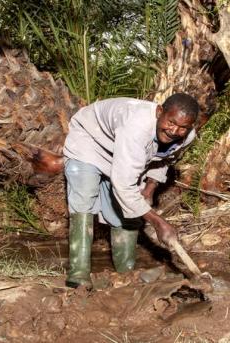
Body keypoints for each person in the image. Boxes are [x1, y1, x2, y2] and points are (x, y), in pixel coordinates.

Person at [62, 93, 200, 288]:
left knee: (125, 212)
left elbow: (166, 158)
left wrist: (150, 189)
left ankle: (126, 274)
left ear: (190, 127)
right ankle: (78, 276)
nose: (174, 131)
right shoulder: (136, 126)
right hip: (89, 143)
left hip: (124, 153)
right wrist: (158, 222)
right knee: (84, 200)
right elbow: (124, 185)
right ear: (159, 112)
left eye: (183, 127)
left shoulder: (185, 137)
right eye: (171, 122)